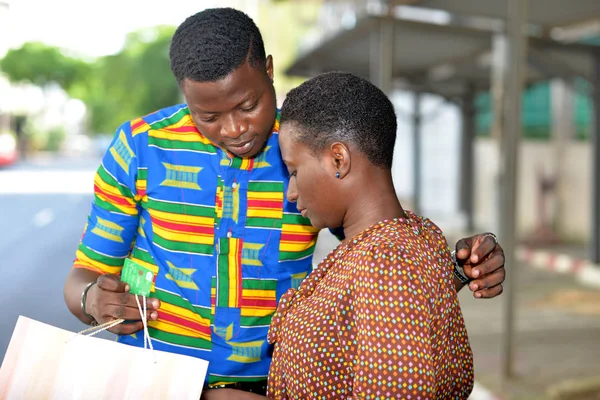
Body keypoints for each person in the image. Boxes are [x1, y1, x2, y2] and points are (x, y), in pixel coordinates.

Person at [63, 7, 504, 396]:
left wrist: (450, 265)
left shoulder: (306, 147)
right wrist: (90, 299)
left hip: (275, 385)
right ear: (186, 97)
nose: (234, 129)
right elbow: (84, 275)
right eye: (209, 117)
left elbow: (377, 249)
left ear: (269, 70)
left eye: (248, 104)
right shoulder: (139, 148)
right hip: (156, 380)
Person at [202, 72, 474, 400]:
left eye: (294, 171)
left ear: (338, 159)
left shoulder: (384, 262)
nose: (291, 191)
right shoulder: (414, 238)